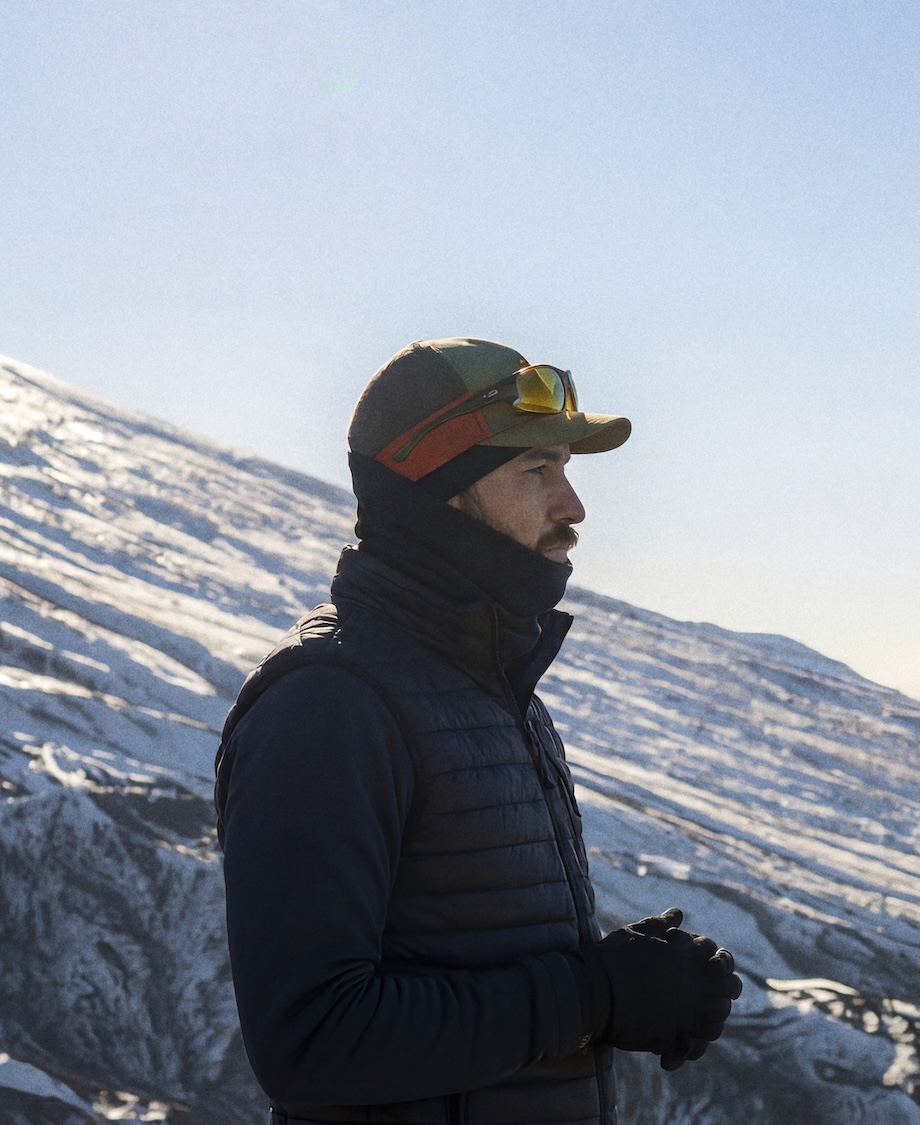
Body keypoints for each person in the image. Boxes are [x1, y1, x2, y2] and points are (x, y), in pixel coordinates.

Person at [215, 338, 743, 1124]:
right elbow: (311, 1038)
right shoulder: (331, 704)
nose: (572, 507)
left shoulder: (493, 687)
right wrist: (593, 993)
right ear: (436, 494)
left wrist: (618, 985)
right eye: (537, 472)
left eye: (566, 468)